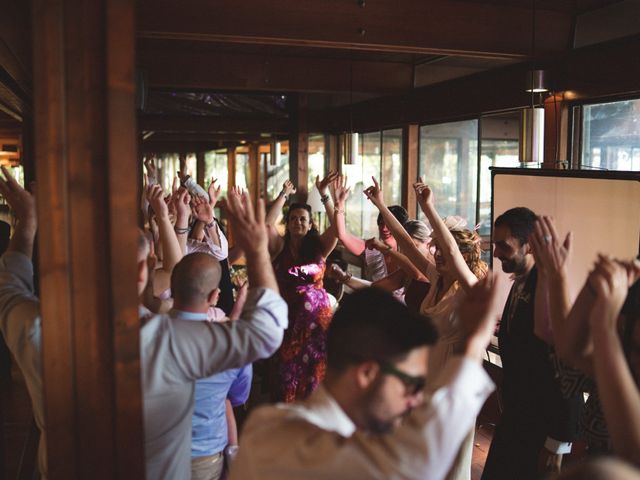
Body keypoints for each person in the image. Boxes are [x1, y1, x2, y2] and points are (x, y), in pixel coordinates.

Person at [0, 166, 288, 480]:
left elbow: (9, 285)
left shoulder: (38, 330)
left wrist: (27, 222)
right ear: (144, 272)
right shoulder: (170, 341)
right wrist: (258, 249)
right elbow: (266, 332)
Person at [229, 273, 502, 480]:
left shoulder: (264, 422)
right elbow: (417, 457)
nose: (416, 400)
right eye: (412, 384)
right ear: (367, 373)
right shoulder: (310, 453)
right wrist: (475, 342)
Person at [363, 176, 487, 480]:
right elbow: (406, 242)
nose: (439, 254)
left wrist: (428, 207)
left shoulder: (469, 288)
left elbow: (452, 252)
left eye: (446, 251)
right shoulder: (436, 279)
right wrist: (380, 203)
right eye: (439, 250)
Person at [481, 207, 583, 480]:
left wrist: (558, 444)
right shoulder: (521, 283)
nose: (497, 253)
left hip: (541, 424)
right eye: (495, 245)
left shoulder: (547, 287)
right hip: (516, 417)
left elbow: (564, 366)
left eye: (504, 246)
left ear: (529, 245)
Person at [266, 176, 338, 402]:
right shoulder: (279, 247)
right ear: (287, 223)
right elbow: (267, 225)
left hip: (317, 325)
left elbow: (338, 227)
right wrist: (283, 195)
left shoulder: (319, 248)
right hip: (287, 322)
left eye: (303, 219)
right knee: (288, 375)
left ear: (310, 224)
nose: (298, 222)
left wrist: (325, 194)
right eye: (293, 219)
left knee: (314, 376)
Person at [332, 174, 409, 284]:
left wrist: (380, 203)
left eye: (389, 225)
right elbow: (342, 235)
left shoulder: (410, 254)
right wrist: (340, 204)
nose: (384, 228)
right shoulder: (373, 249)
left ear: (400, 227)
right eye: (381, 223)